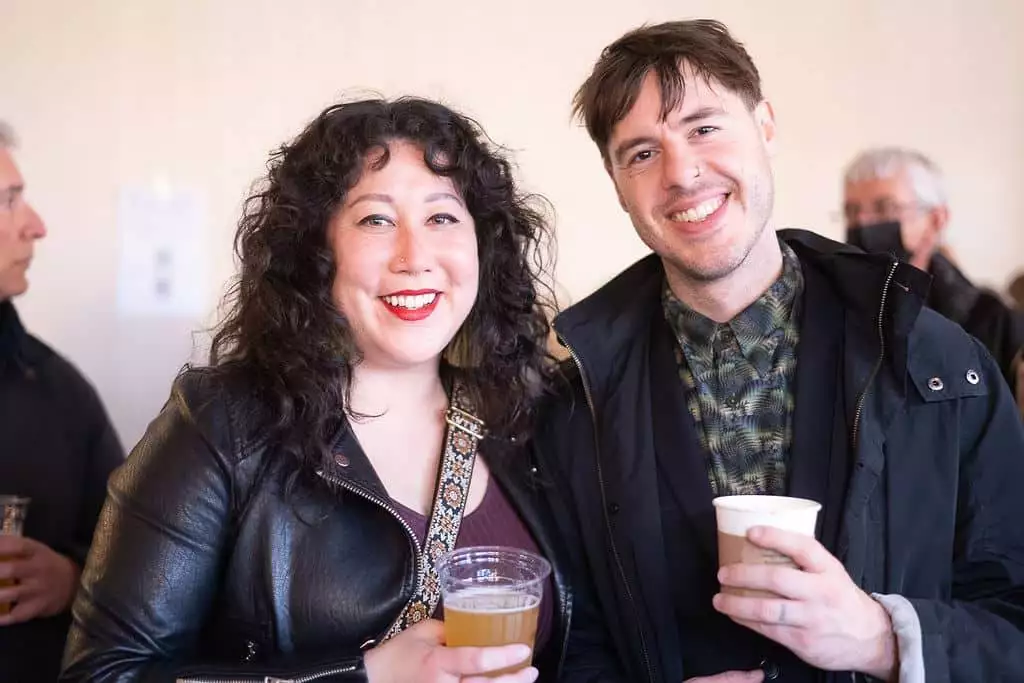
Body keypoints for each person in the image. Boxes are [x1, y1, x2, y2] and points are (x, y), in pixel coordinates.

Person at [536, 19, 1024, 683]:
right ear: (617, 184)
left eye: (704, 128)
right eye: (642, 153)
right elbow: (570, 645)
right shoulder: (575, 407)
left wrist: (884, 639)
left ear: (765, 126)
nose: (682, 173)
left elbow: (1013, 622)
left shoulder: (938, 365)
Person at [60, 99, 568, 682]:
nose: (415, 257)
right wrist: (365, 677)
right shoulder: (222, 425)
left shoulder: (528, 419)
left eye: (442, 218)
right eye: (376, 220)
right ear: (315, 251)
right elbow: (103, 673)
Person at [0, 121, 124, 681]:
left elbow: (138, 566)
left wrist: (72, 581)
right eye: (7, 201)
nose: (36, 226)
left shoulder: (59, 393)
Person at [843, 147, 1024, 396]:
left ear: (936, 220)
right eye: (852, 211)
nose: (863, 222)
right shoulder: (827, 310)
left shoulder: (993, 324)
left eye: (885, 207)